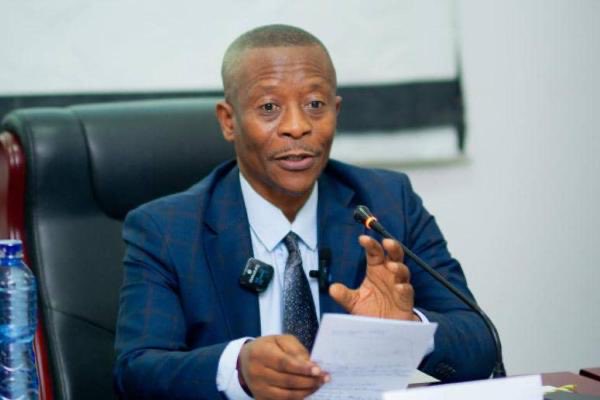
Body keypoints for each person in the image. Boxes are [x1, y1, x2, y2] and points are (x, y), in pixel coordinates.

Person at [114, 24, 496, 399]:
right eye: (269, 107)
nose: (297, 127)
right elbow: (136, 371)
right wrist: (238, 369)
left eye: (315, 105)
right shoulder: (166, 229)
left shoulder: (388, 203)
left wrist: (408, 328)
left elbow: (481, 343)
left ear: (336, 111)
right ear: (229, 121)